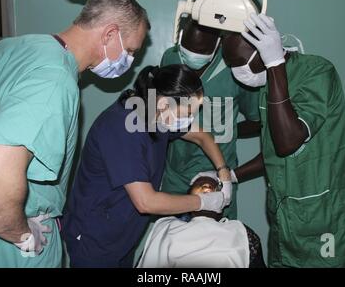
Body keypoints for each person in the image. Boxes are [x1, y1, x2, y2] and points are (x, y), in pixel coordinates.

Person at [0, 0, 149, 267]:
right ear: (109, 34)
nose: (128, 63)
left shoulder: (11, 47)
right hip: (10, 246)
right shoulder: (54, 81)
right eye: (130, 51)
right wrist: (22, 234)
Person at [62, 64, 235, 268]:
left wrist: (223, 172)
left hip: (123, 237)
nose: (189, 119)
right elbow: (146, 202)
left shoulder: (156, 116)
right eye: (187, 113)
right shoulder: (122, 129)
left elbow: (201, 136)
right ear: (163, 102)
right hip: (95, 239)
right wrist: (203, 202)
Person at [235, 12, 345, 267]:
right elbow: (274, 153)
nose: (236, 71)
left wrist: (274, 64)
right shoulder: (267, 86)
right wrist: (232, 175)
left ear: (263, 51)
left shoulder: (318, 72)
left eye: (238, 62)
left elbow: (287, 142)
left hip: (325, 228)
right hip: (286, 228)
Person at [160, 20, 261, 220]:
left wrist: (228, 130)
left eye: (201, 50)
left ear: (218, 43)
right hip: (176, 174)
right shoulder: (170, 58)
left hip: (217, 176)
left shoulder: (235, 66)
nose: (192, 56)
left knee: (218, 244)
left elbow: (257, 120)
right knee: (171, 242)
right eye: (188, 49)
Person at [137, 174, 266, 268]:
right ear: (186, 200)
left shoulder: (241, 232)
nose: (206, 186)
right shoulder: (166, 227)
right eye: (199, 185)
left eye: (214, 188)